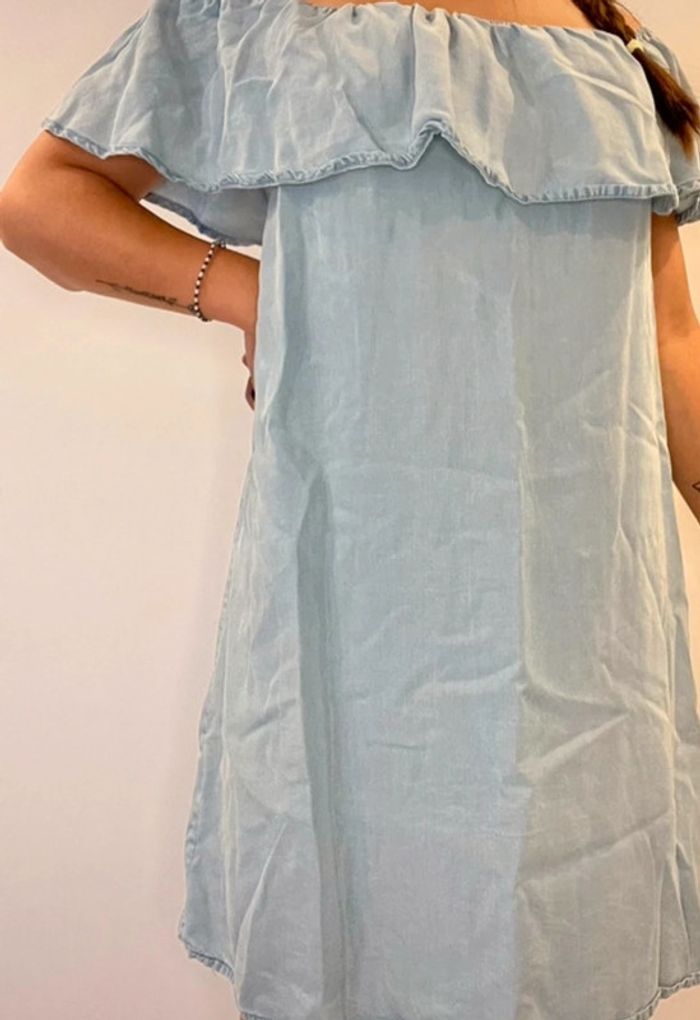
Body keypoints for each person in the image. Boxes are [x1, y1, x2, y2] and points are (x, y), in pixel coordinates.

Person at [3, 1, 700, 1018]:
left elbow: (670, 339)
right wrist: (249, 293)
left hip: (584, 654)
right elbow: (42, 199)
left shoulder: (609, 46)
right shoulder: (277, 19)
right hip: (356, 641)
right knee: (352, 944)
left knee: (564, 954)